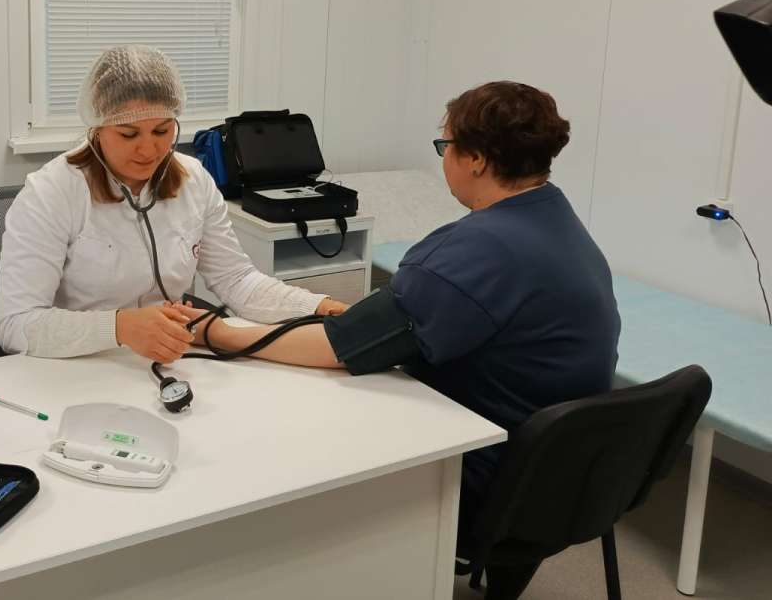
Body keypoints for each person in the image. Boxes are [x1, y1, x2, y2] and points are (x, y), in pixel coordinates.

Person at [191, 81, 621, 547]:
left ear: (476, 159)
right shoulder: (558, 219)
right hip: (573, 478)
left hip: (490, 483)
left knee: (298, 421)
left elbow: (341, 347)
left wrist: (218, 332)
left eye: (446, 145)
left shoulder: (475, 251)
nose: (444, 157)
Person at [0, 45, 346, 363]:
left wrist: (318, 306)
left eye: (162, 131)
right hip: (76, 365)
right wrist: (119, 327)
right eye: (128, 134)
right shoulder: (51, 193)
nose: (148, 150)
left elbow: (236, 280)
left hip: (170, 358)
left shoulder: (194, 181)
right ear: (97, 128)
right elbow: (15, 324)